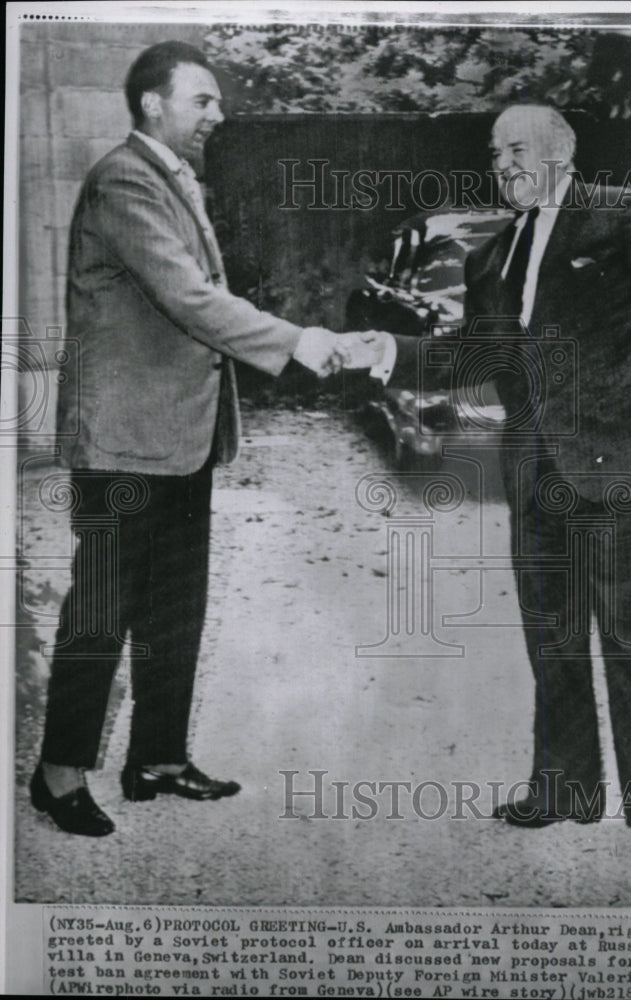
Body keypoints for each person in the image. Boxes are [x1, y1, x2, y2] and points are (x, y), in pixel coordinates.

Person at [31, 41, 386, 837]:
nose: (217, 115)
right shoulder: (124, 179)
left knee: (174, 609)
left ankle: (156, 758)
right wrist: (299, 339)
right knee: (100, 613)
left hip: (181, 436)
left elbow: (190, 306)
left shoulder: (170, 179)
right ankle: (57, 776)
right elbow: (188, 298)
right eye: (203, 101)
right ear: (153, 104)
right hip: (123, 443)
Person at [374, 103, 631, 880]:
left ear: (563, 151)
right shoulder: (493, 257)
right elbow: (469, 357)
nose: (503, 166)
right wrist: (383, 349)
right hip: (534, 476)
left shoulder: (621, 216)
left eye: (517, 150)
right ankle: (563, 788)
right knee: (551, 637)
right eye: (495, 155)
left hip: (620, 465)